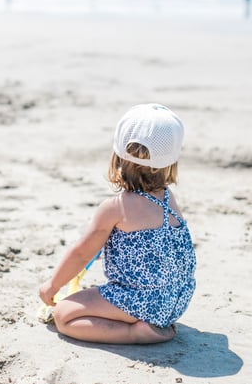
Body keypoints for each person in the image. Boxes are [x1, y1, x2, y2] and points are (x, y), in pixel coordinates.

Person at [39, 103, 196, 344]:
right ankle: (148, 323)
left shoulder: (116, 208)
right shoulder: (167, 198)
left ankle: (135, 333)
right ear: (171, 162)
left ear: (117, 156)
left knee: (64, 316)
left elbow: (82, 253)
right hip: (176, 301)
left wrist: (53, 285)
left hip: (142, 301)